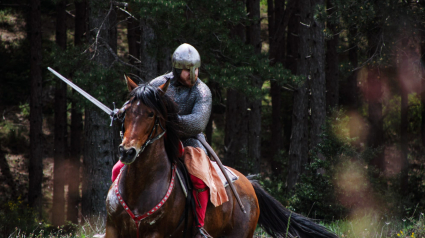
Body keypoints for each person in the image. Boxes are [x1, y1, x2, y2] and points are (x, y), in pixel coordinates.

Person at [112, 43, 227, 238]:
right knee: (118, 169)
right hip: (158, 139)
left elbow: (197, 123)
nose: (192, 75)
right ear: (176, 69)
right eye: (187, 71)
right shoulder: (160, 83)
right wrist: (122, 112)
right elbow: (140, 100)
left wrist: (170, 120)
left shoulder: (202, 91)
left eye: (195, 69)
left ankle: (199, 227)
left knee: (198, 177)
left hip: (190, 141)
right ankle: (117, 216)